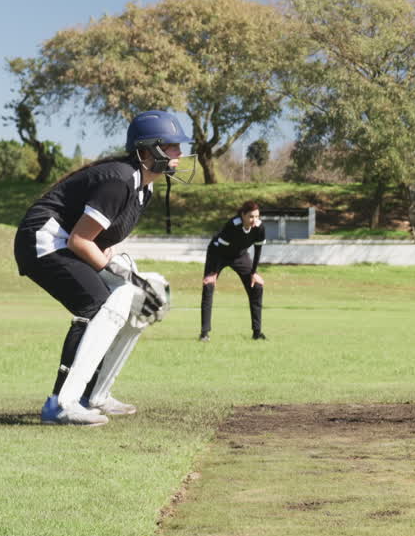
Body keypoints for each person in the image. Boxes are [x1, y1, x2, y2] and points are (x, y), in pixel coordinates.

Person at [15, 110, 190, 426]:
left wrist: (131, 278)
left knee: (136, 303)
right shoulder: (119, 180)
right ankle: (60, 404)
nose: (180, 153)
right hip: (42, 241)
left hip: (68, 242)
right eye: (173, 146)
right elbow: (80, 241)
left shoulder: (143, 188)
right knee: (95, 304)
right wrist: (119, 273)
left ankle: (95, 395)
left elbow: (104, 240)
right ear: (149, 149)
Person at [199, 201, 267, 342]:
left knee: (257, 287)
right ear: (242, 215)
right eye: (251, 217)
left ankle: (257, 333)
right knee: (208, 286)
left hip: (240, 256)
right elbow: (221, 249)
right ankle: (204, 333)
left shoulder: (259, 228)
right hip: (218, 254)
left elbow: (258, 249)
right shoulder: (232, 225)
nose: (254, 220)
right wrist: (213, 273)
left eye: (257, 216)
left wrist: (254, 273)